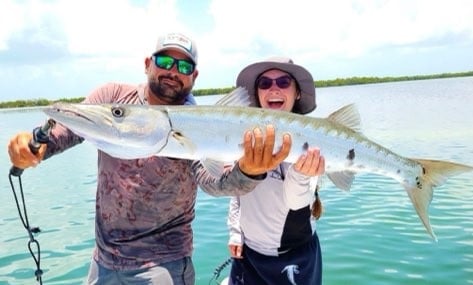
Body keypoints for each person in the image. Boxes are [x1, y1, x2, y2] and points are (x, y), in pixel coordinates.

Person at [7, 33, 292, 285]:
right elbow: (67, 130)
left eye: (184, 66)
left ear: (194, 77)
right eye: (165, 61)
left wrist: (249, 171)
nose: (173, 71)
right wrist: (32, 149)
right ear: (147, 64)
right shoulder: (113, 97)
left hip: (163, 263)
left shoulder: (198, 127)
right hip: (103, 260)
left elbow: (215, 182)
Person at [225, 57, 325, 285]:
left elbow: (297, 202)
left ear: (297, 92)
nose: (274, 89)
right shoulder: (244, 135)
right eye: (265, 84)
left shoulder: (312, 140)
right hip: (248, 254)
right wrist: (235, 232)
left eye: (283, 82)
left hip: (293, 256)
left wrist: (301, 174)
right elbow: (238, 192)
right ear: (257, 93)